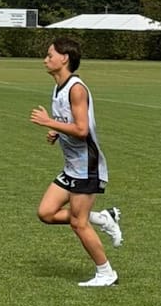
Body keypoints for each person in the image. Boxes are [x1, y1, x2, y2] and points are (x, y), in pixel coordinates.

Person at [29, 36, 123, 287]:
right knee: (46, 213)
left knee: (78, 224)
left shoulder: (76, 88)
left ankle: (106, 273)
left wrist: (49, 122)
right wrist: (57, 132)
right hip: (73, 166)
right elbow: (71, 125)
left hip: (88, 167)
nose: (45, 60)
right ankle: (103, 218)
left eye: (50, 55)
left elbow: (82, 130)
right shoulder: (58, 87)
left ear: (65, 58)